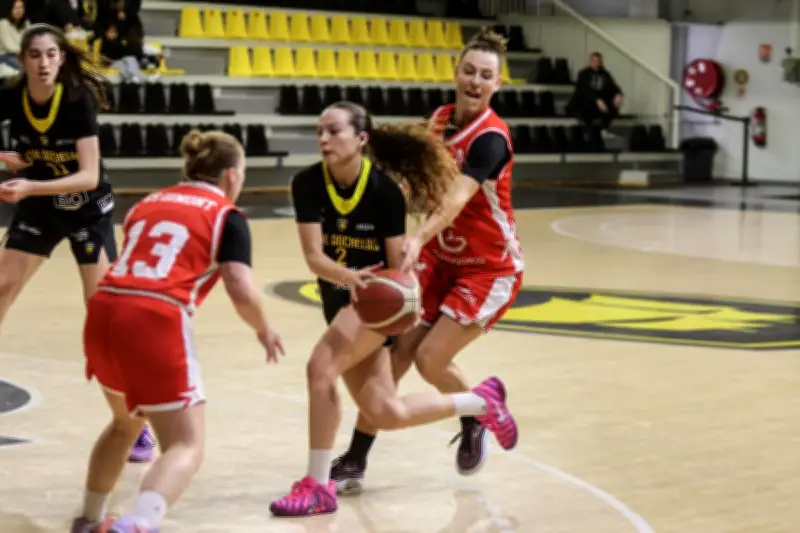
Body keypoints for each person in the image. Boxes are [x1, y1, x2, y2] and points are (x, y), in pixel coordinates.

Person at [268, 100, 519, 518]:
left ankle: (317, 486)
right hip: (344, 297)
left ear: (360, 139)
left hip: (374, 309)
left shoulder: (385, 191)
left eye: (334, 131)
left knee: (320, 369)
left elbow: (397, 267)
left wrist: (375, 292)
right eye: (320, 132)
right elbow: (314, 257)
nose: (324, 140)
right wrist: (349, 278)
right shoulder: (307, 183)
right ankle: (479, 402)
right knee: (385, 412)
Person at [329, 28, 525, 494]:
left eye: (486, 76)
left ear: (497, 85)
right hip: (441, 260)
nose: (475, 81)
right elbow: (413, 181)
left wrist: (415, 237)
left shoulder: (491, 140)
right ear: (456, 73)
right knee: (395, 355)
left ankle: (479, 409)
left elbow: (455, 200)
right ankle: (356, 459)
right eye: (469, 71)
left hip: (488, 267)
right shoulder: (437, 121)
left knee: (431, 359)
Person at [70, 129, 285, 533]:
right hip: (153, 317)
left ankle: (88, 520)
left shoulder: (148, 202)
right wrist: (264, 328)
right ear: (231, 175)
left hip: (103, 309)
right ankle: (135, 525)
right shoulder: (226, 214)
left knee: (125, 424)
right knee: (186, 445)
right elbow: (239, 286)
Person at [0, 23, 153, 463]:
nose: (44, 63)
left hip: (87, 209)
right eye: (35, 55)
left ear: (62, 58)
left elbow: (88, 175)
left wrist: (28, 185)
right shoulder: (13, 96)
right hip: (41, 207)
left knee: (102, 320)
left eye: (51, 54)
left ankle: (134, 424)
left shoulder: (78, 100)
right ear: (22, 60)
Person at [567, 51, 625, 131]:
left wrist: (619, 94)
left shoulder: (605, 74)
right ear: (590, 62)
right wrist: (597, 100)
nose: (596, 63)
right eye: (594, 61)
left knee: (612, 105)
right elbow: (585, 90)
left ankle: (604, 129)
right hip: (586, 101)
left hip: (600, 103)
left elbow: (613, 86)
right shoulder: (583, 74)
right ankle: (589, 132)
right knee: (585, 106)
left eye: (598, 61)